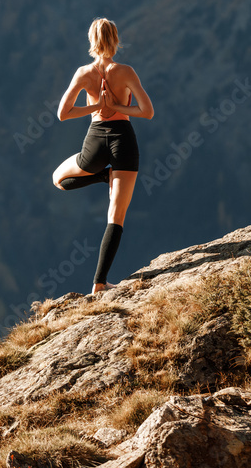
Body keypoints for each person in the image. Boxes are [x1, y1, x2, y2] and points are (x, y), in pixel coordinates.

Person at [53, 17, 154, 294]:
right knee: (116, 216)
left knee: (58, 179)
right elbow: (147, 112)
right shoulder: (126, 71)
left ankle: (102, 176)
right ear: (115, 40)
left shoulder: (83, 73)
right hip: (124, 139)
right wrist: (119, 106)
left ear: (91, 40)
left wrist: (96, 106)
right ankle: (100, 283)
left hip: (95, 140)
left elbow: (63, 114)